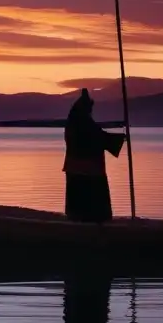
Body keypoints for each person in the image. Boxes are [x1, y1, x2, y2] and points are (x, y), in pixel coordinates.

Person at [63, 88, 126, 223]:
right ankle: (90, 220)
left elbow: (97, 135)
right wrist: (120, 139)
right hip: (88, 170)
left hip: (78, 168)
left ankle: (80, 218)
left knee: (79, 199)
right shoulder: (82, 123)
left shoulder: (76, 121)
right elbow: (97, 137)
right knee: (90, 200)